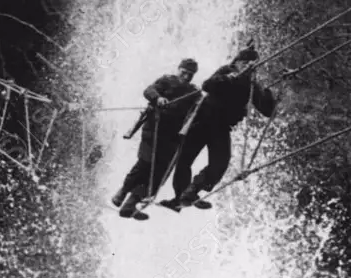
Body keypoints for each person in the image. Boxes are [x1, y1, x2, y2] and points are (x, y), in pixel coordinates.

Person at [161, 41, 275, 212]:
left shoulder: (252, 85)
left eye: (252, 65)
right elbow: (207, 85)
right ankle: (179, 198)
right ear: (237, 62)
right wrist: (225, 79)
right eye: (244, 63)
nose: (247, 67)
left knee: (220, 163)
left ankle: (193, 190)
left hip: (221, 128)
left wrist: (272, 95)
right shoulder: (226, 71)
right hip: (202, 122)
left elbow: (267, 110)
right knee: (184, 159)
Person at [111, 58, 200, 218]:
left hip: (171, 137)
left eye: (190, 75)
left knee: (158, 175)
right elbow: (149, 90)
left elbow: (199, 108)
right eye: (184, 72)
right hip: (153, 130)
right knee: (144, 165)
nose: (186, 77)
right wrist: (158, 98)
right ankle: (122, 192)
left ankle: (130, 205)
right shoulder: (166, 80)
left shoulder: (194, 92)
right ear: (178, 69)